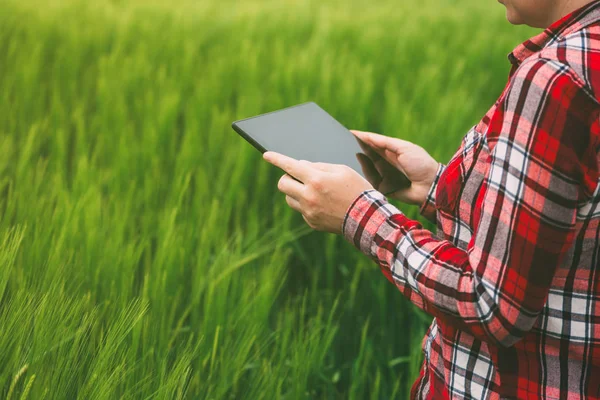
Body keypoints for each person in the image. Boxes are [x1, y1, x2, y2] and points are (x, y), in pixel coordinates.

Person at [262, 0, 600, 398]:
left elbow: (491, 304)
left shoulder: (557, 76)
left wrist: (360, 215)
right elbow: (576, 231)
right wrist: (439, 186)